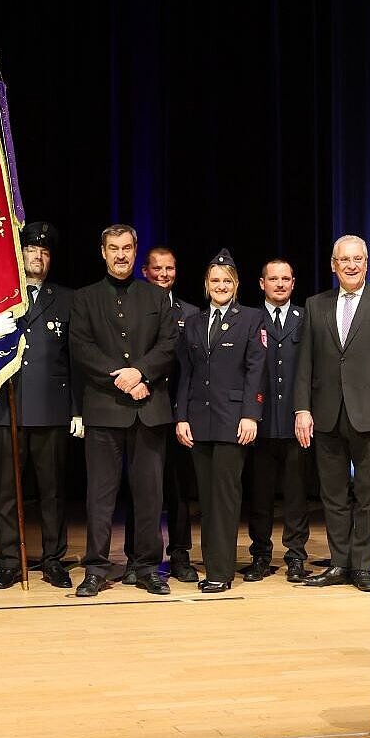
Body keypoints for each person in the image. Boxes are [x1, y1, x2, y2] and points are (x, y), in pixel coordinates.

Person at [294, 235, 370, 592]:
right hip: (327, 414)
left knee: (368, 493)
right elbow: (305, 363)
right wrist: (302, 408)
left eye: (357, 259)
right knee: (332, 495)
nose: (350, 265)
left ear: (367, 263)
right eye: (343, 259)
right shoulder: (316, 304)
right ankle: (339, 563)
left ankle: (362, 565)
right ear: (333, 264)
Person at [69, 223, 180, 597]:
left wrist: (141, 373)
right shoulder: (84, 298)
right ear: (103, 252)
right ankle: (96, 569)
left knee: (150, 495)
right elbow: (81, 348)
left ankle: (147, 566)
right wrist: (120, 378)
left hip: (149, 407)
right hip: (104, 408)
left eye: (127, 248)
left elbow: (168, 344)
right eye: (113, 248)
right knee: (100, 496)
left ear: (136, 252)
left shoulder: (156, 298)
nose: (120, 255)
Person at [0, 221, 76, 591]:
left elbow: (74, 358)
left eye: (44, 252)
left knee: (52, 491)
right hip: (9, 407)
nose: (38, 256)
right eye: (31, 250)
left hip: (51, 410)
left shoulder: (66, 299)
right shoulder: (0, 295)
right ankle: (8, 560)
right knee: (6, 491)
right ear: (19, 256)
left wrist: (76, 409)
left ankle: (53, 559)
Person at [174, 249, 267, 592]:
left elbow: (257, 372)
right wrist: (181, 416)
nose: (221, 286)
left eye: (227, 281)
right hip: (199, 420)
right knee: (206, 500)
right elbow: (187, 373)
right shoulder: (195, 322)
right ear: (206, 284)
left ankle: (220, 572)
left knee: (225, 499)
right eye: (215, 280)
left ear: (237, 284)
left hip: (233, 421)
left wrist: (250, 415)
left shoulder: (251, 319)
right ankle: (213, 564)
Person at [134, 244, 200, 584]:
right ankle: (137, 557)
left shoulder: (190, 313)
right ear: (144, 271)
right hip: (141, 407)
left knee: (178, 487)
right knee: (140, 487)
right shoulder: (132, 308)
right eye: (157, 268)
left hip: (178, 410)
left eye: (169, 269)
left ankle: (179, 555)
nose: (163, 274)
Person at [243, 258, 311, 583]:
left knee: (297, 495)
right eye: (274, 279)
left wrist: (305, 409)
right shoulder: (249, 319)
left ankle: (296, 556)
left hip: (296, 422)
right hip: (261, 423)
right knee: (260, 495)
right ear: (262, 283)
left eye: (286, 278)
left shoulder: (305, 318)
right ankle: (260, 555)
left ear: (293, 283)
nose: (280, 284)